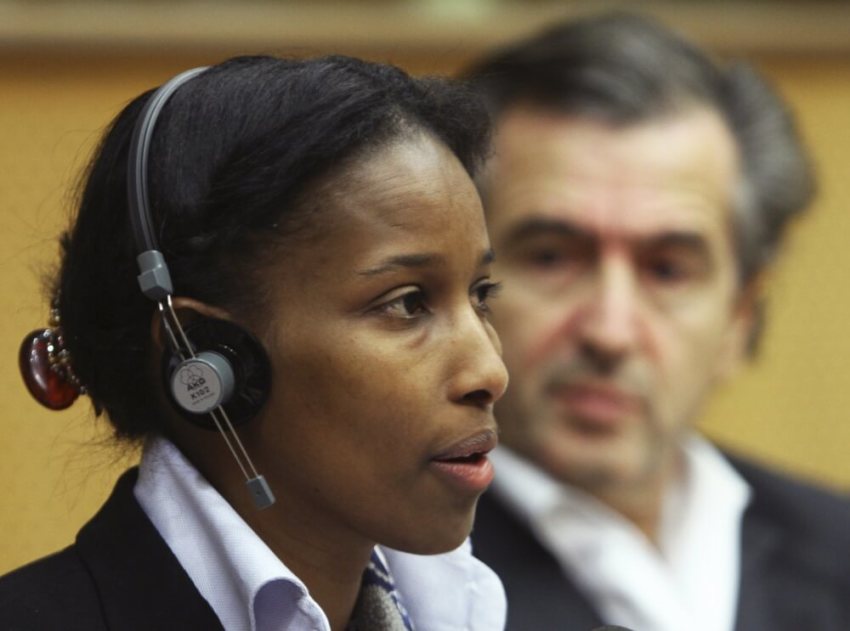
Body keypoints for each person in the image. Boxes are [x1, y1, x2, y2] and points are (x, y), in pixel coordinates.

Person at [0, 54, 510, 630]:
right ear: (203, 356)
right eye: (406, 303)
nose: (490, 371)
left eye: (481, 294)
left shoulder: (468, 609)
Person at [464, 12, 850, 631]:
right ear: (458, 287)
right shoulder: (379, 574)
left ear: (741, 315)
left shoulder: (837, 548)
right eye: (552, 257)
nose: (610, 332)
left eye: (668, 270)